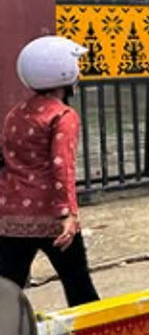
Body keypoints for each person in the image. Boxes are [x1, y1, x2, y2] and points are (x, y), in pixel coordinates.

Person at [0, 36, 99, 307]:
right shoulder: (62, 116)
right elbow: (62, 166)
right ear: (65, 72)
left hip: (12, 218)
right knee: (80, 288)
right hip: (52, 218)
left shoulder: (15, 113)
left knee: (7, 291)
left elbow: (5, 159)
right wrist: (67, 214)